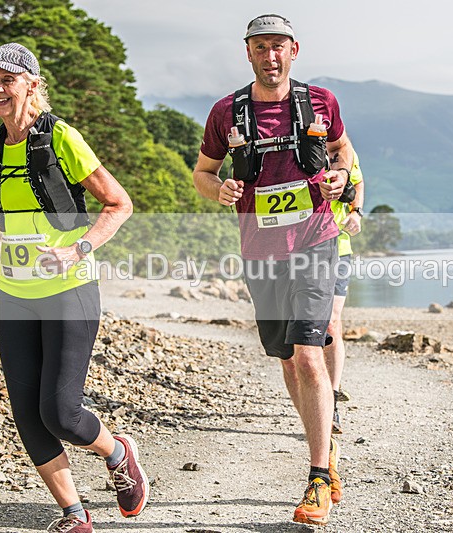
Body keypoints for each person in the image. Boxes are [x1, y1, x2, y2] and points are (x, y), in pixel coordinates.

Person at [0, 43, 147, 533]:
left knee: (61, 413)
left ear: (33, 84)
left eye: (8, 80)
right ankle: (74, 513)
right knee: (27, 413)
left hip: (69, 287)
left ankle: (117, 452)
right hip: (14, 293)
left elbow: (118, 203)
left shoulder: (61, 137)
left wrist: (77, 250)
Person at [192, 15, 353, 526]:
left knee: (309, 354)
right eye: (260, 48)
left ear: (294, 50)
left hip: (316, 241)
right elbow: (202, 172)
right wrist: (216, 190)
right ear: (248, 54)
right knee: (287, 361)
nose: (270, 56)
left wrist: (340, 178)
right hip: (261, 252)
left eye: (278, 47)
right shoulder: (227, 113)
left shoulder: (320, 102)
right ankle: (325, 449)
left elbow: (342, 154)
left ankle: (318, 478)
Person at [326, 152, 365, 435]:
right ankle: (310, 382)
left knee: (331, 321)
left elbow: (359, 183)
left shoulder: (345, 150)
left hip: (337, 245)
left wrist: (356, 212)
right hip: (296, 246)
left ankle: (332, 398)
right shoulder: (292, 139)